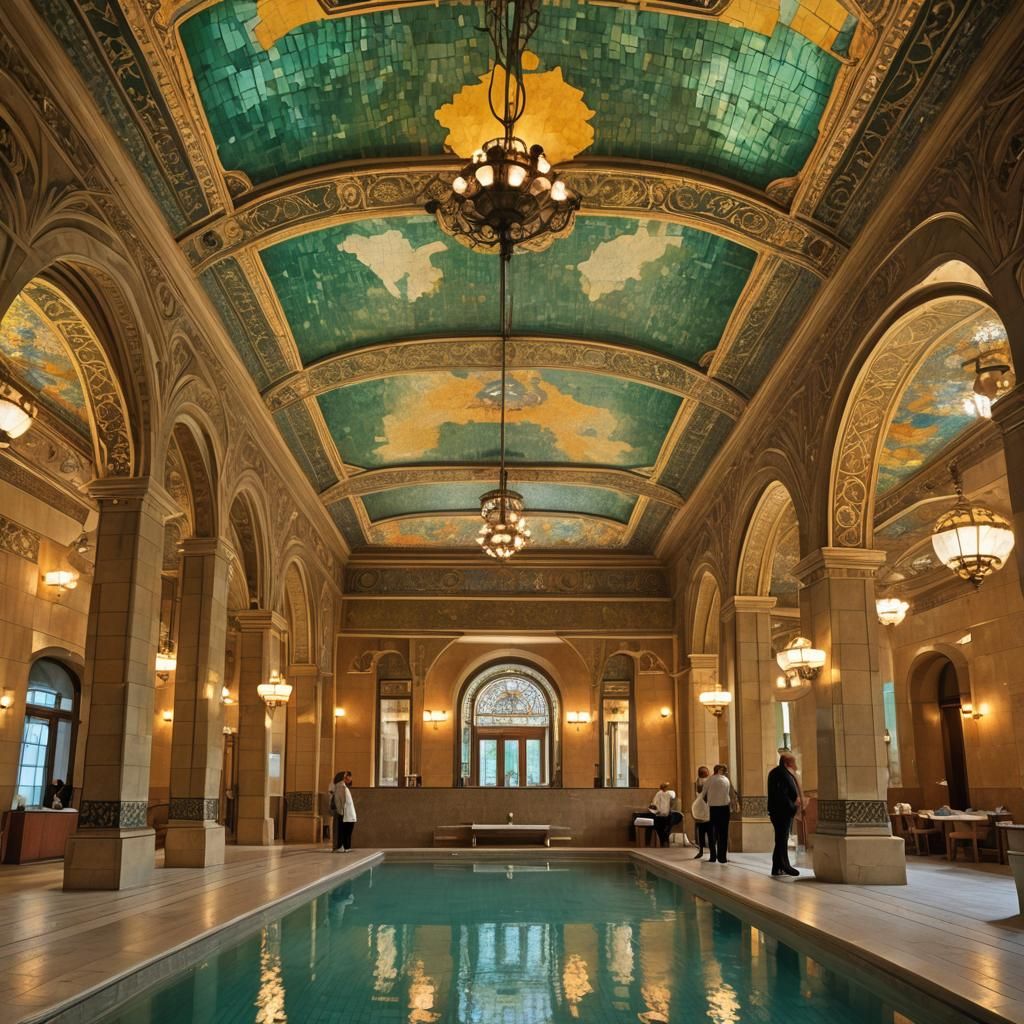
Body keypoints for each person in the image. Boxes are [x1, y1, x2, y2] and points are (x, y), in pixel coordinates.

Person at [767, 753, 802, 877]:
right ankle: (785, 866)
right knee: (781, 838)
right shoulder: (782, 774)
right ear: (787, 763)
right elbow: (785, 794)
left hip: (779, 810)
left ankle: (777, 867)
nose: (795, 764)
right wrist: (794, 806)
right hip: (782, 811)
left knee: (781, 838)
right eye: (794, 762)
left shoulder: (777, 772)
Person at [703, 763, 738, 864]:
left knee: (712, 833)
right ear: (719, 770)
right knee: (723, 833)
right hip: (724, 809)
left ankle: (713, 856)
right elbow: (730, 794)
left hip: (712, 809)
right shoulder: (726, 780)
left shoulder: (709, 780)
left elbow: (703, 794)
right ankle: (722, 857)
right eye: (724, 770)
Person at [333, 770, 357, 852]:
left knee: (347, 831)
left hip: (348, 814)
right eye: (347, 776)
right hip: (344, 814)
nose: (350, 779)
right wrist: (341, 812)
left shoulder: (344, 787)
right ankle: (342, 846)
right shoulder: (340, 787)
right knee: (344, 831)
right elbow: (338, 801)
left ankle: (346, 847)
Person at [693, 766, 713, 859]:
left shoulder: (700, 781)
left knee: (707, 833)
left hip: (704, 812)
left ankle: (705, 851)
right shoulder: (703, 781)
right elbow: (702, 793)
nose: (707, 773)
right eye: (705, 772)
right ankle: (704, 851)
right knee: (707, 833)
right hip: (704, 811)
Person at [649, 782, 676, 847]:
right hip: (660, 815)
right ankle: (662, 842)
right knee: (660, 829)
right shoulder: (658, 794)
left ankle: (665, 841)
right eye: (665, 787)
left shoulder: (670, 793)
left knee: (666, 829)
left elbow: (673, 797)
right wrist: (656, 811)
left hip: (667, 815)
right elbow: (654, 803)